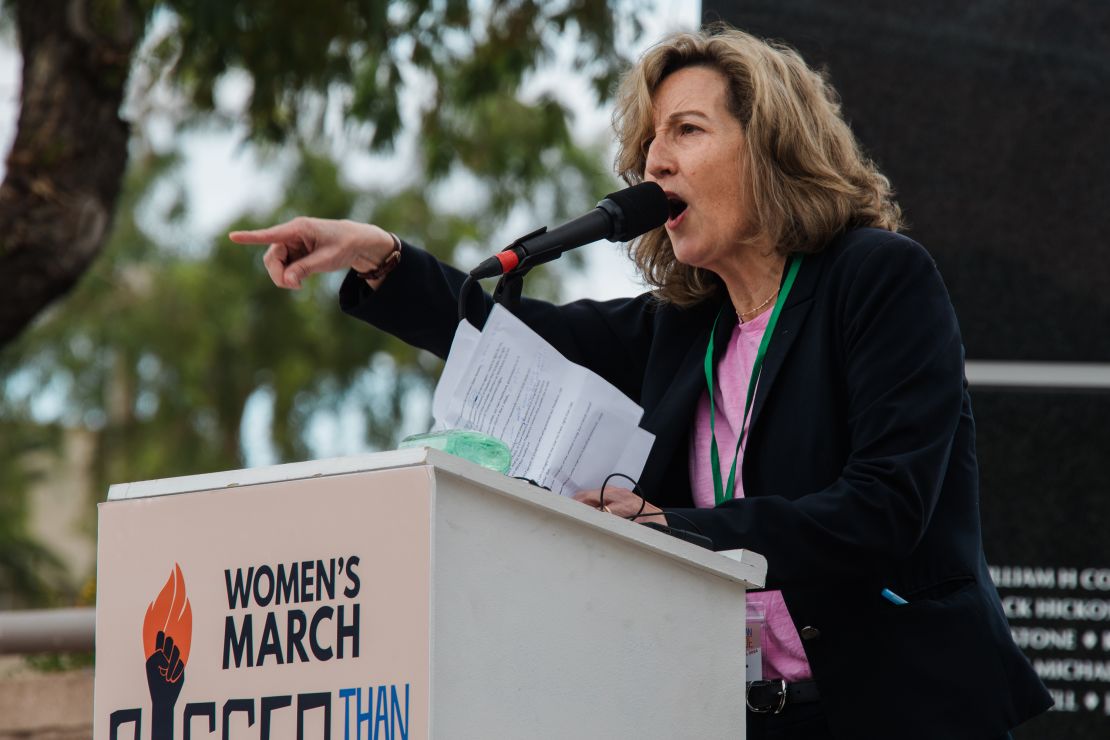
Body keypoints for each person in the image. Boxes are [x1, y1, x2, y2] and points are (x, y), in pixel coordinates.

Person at [230, 25, 1050, 740]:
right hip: (734, 715)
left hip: (899, 712)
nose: (655, 161)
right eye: (651, 141)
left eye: (687, 130)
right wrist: (382, 257)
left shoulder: (876, 279)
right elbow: (518, 337)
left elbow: (885, 510)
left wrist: (676, 527)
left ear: (769, 146)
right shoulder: (682, 326)